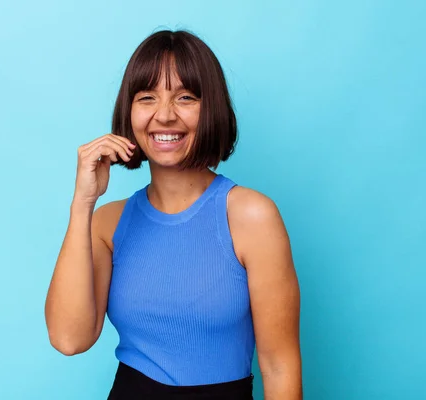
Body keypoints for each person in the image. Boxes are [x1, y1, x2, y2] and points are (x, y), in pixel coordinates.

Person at [44, 29, 302, 399]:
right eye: (147, 97)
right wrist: (82, 204)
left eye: (185, 97)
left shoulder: (251, 216)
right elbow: (69, 339)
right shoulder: (107, 222)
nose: (164, 116)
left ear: (210, 107)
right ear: (128, 111)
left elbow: (280, 366)